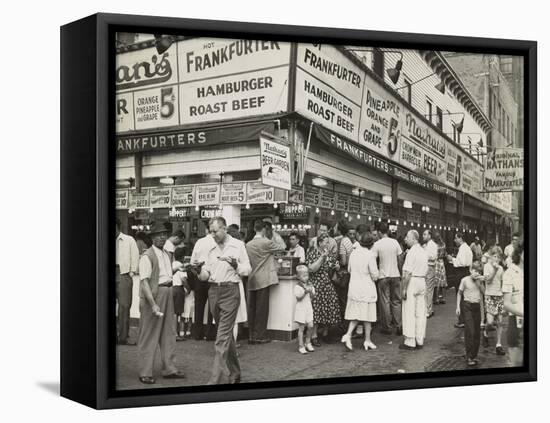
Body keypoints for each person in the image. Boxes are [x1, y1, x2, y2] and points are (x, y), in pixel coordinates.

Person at [198, 217, 251, 384]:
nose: (212, 235)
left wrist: (236, 265)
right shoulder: (210, 247)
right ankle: (235, 372)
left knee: (221, 337)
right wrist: (198, 271)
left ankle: (215, 379)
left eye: (215, 231)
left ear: (225, 228)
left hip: (230, 290)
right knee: (226, 334)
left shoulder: (238, 245)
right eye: (210, 231)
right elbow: (205, 274)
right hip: (214, 290)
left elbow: (247, 269)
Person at [137, 222, 185, 384]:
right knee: (149, 334)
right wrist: (153, 304)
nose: (162, 237)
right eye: (158, 235)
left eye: (164, 234)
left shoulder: (166, 253)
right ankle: (145, 372)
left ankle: (169, 368)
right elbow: (144, 283)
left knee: (169, 333)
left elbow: (164, 274)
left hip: (167, 292)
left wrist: (179, 269)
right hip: (154, 295)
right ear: (151, 238)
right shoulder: (147, 256)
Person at [246, 220, 285, 344]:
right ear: (263, 229)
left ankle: (251, 335)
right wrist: (274, 234)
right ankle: (260, 336)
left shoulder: (248, 244)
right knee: (262, 309)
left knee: (252, 308)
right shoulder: (267, 242)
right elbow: (283, 247)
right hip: (263, 279)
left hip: (252, 279)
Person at [341, 232, 379, 351]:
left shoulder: (353, 253)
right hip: (367, 288)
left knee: (359, 314)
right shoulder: (370, 255)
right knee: (366, 315)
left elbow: (349, 269)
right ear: (371, 244)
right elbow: (375, 275)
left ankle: (366, 340)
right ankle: (350, 336)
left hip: (354, 287)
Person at [306, 232, 341, 346]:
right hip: (316, 283)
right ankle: (314, 335)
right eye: (326, 242)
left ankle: (325, 332)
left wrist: (336, 266)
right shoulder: (313, 253)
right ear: (320, 243)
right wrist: (322, 257)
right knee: (317, 310)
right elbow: (312, 269)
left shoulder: (328, 253)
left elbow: (334, 264)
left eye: (328, 242)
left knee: (328, 309)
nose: (328, 244)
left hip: (326, 283)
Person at [399, 230, 428, 350]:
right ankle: (419, 339)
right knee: (420, 312)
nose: (405, 239)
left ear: (414, 239)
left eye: (407, 237)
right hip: (422, 281)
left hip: (412, 281)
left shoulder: (411, 253)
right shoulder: (423, 251)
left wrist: (404, 289)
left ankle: (410, 341)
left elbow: (407, 273)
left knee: (409, 311)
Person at [372, 222, 403, 335]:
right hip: (395, 275)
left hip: (383, 276)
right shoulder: (395, 242)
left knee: (385, 301)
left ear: (380, 232)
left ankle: (387, 327)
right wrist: (400, 272)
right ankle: (399, 325)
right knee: (396, 301)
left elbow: (372, 260)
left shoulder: (377, 244)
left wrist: (375, 273)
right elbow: (400, 259)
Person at [456, 261, 485, 366]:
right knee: (470, 331)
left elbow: (484, 293)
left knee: (477, 332)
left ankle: (474, 355)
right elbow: (459, 294)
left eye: (478, 271)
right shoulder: (464, 280)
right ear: (470, 270)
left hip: (476, 306)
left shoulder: (479, 281)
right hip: (467, 306)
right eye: (474, 270)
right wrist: (458, 307)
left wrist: (480, 283)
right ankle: (469, 356)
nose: (476, 273)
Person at [115, 218, 139, 346]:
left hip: (123, 273)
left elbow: (135, 256)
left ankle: (123, 337)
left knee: (124, 306)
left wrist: (131, 272)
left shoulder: (129, 240)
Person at [190, 232, 217, 341]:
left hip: (200, 276)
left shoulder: (199, 242)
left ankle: (197, 333)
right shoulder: (217, 243)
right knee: (212, 307)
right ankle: (210, 333)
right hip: (213, 277)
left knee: (199, 306)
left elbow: (193, 261)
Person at [502, 240, 524, 367]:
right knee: (517, 364)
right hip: (516, 324)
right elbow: (507, 304)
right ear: (520, 253)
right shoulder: (510, 273)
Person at [482, 248, 506, 355]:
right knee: (490, 322)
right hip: (489, 295)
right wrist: (494, 270)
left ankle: (498, 344)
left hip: (499, 296)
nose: (496, 259)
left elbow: (502, 283)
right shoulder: (487, 266)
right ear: (490, 257)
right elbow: (488, 280)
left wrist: (504, 296)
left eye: (498, 257)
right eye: (494, 256)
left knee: (500, 321)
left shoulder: (501, 268)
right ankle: (486, 332)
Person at [447, 232, 473, 328]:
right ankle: (466, 318)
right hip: (466, 272)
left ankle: (462, 320)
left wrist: (452, 259)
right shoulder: (468, 248)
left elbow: (461, 263)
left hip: (461, 272)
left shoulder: (462, 249)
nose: (454, 240)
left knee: (460, 295)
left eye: (456, 238)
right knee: (465, 296)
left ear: (460, 238)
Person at [294, 265, 316, 354]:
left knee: (311, 325)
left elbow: (313, 296)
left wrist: (311, 292)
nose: (306, 277)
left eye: (307, 275)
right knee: (301, 328)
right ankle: (301, 345)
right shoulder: (297, 287)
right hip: (301, 308)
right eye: (303, 276)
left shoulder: (310, 284)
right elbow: (298, 298)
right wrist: (305, 292)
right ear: (298, 277)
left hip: (308, 307)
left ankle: (308, 342)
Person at [172, 247, 191, 341]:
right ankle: (175, 334)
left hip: (171, 288)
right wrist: (188, 289)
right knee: (177, 313)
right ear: (183, 257)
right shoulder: (181, 266)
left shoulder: (171, 264)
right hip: (178, 289)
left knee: (172, 312)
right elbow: (183, 280)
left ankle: (173, 333)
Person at [423, 229, 438, 319]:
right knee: (426, 289)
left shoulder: (432, 245)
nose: (423, 236)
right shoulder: (427, 245)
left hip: (430, 267)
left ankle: (429, 310)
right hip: (426, 267)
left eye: (425, 234)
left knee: (429, 289)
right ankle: (428, 308)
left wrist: (424, 253)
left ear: (429, 235)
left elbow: (433, 257)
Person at [433, 231, 448, 305]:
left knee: (436, 281)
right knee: (442, 281)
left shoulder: (435, 245)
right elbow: (445, 254)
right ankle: (442, 298)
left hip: (436, 262)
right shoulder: (443, 244)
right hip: (441, 262)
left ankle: (436, 299)